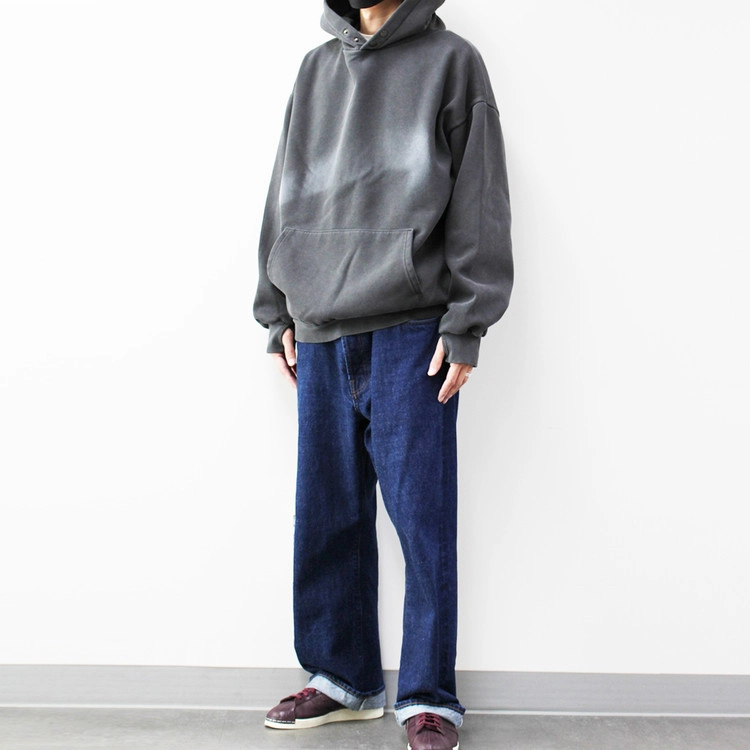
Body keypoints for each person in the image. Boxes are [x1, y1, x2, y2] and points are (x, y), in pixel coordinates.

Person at [253, 0, 512, 747]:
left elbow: (480, 197)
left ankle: (429, 696)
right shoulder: (315, 70)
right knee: (327, 515)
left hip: (412, 330)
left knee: (422, 522)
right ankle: (343, 679)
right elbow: (285, 192)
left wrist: (467, 323)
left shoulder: (452, 63)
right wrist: (276, 309)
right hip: (320, 329)